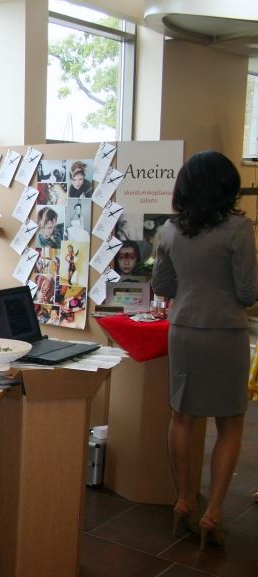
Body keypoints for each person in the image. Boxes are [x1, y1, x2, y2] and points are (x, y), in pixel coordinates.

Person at [152, 150, 257, 549]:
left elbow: (163, 285)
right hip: (226, 331)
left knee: (182, 416)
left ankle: (184, 500)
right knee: (230, 422)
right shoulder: (239, 228)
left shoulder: (170, 230)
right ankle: (212, 513)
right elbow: (247, 292)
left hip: (184, 330)